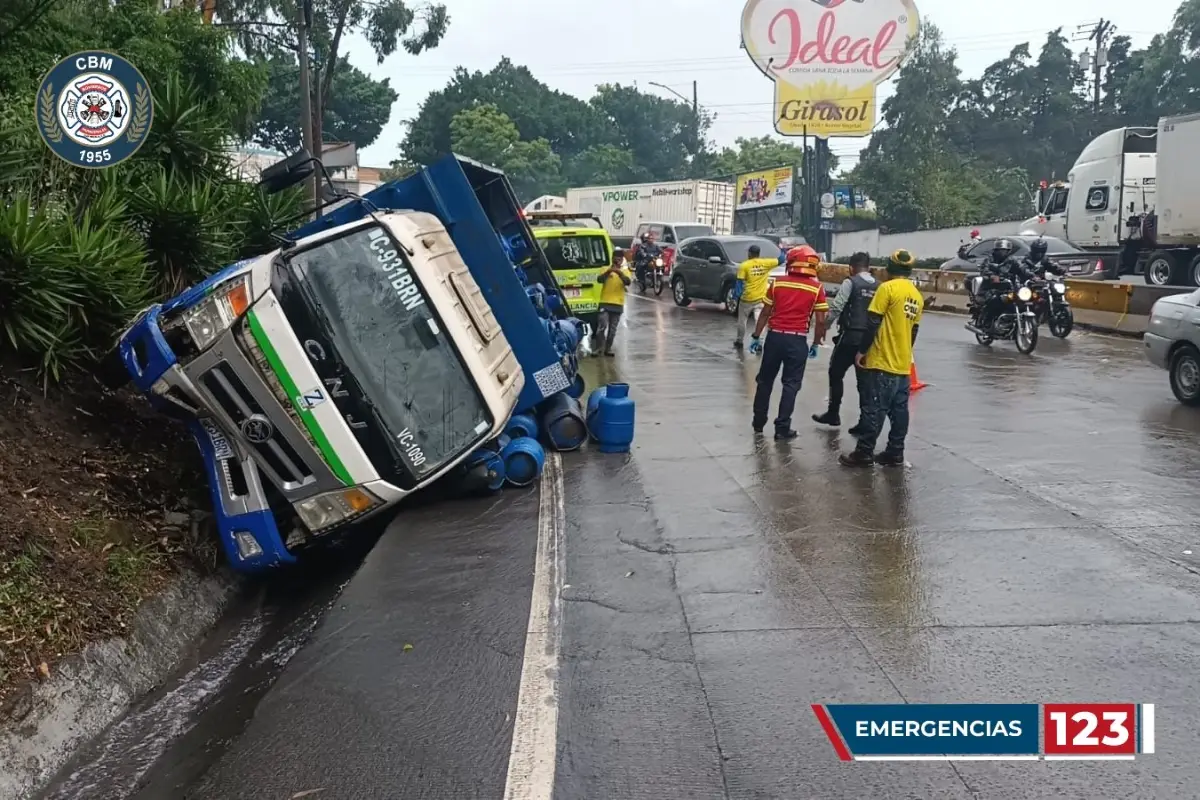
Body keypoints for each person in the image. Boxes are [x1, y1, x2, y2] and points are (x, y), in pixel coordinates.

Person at [839, 249, 923, 467]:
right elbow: (913, 331)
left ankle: (864, 452)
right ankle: (895, 452)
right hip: (902, 364)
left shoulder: (887, 288)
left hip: (882, 360)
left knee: (873, 408)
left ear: (889, 268)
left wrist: (862, 351)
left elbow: (873, 322)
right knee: (899, 412)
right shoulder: (916, 295)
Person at [748, 245, 828, 441]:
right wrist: (816, 343)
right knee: (791, 385)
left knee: (765, 381)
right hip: (797, 340)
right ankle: (782, 428)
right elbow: (820, 321)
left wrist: (756, 336)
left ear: (791, 262)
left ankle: (758, 423)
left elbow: (765, 312)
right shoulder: (816, 288)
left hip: (774, 338)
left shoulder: (777, 283)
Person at [813, 251, 875, 432]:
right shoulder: (880, 286)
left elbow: (837, 306)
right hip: (870, 340)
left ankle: (833, 414)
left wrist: (825, 326)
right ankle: (865, 422)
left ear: (851, 268)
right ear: (869, 267)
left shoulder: (850, 282)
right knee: (864, 381)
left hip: (850, 337)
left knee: (836, 373)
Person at [732, 243, 778, 349]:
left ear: (750, 253)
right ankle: (759, 343)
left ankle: (739, 341)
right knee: (760, 320)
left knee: (742, 321)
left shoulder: (744, 265)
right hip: (761, 298)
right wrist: (782, 249)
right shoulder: (766, 263)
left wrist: (735, 297)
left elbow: (739, 284)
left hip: (746, 299)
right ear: (758, 254)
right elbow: (781, 259)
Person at [594, 249, 632, 356]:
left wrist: (619, 273)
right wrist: (609, 271)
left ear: (622, 260)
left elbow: (628, 282)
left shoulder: (625, 271)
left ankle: (608, 348)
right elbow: (599, 280)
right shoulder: (605, 269)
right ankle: (598, 348)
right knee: (602, 326)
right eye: (615, 260)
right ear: (612, 259)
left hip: (618, 304)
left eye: (619, 260)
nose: (617, 262)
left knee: (612, 330)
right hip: (604, 302)